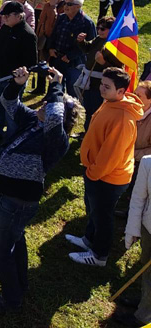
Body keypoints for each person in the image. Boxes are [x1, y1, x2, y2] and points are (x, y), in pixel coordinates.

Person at [0, 66, 81, 313]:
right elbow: (8, 101)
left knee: (0, 250)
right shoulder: (34, 121)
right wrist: (18, 83)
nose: (41, 105)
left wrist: (57, 88)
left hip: (18, 200)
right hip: (10, 195)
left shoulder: (56, 139)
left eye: (47, 104)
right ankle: (19, 283)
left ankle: (11, 299)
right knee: (16, 238)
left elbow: (56, 118)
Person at [66, 67, 143, 267]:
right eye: (102, 84)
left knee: (103, 217)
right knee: (94, 210)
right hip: (97, 173)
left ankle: (99, 255)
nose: (101, 89)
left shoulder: (123, 119)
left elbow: (111, 155)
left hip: (107, 177)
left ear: (121, 92)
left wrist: (93, 173)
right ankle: (88, 239)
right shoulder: (111, 102)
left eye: (107, 87)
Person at [0, 1, 38, 141]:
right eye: (3, 15)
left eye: (7, 16)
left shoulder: (27, 34)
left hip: (13, 80)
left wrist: (18, 76)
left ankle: (11, 137)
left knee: (11, 110)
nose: (4, 18)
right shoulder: (5, 28)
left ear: (19, 16)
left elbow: (31, 62)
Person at [121, 82, 151, 327]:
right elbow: (139, 198)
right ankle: (145, 301)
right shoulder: (149, 164)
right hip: (149, 225)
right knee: (146, 266)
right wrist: (133, 230)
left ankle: (143, 316)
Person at [76, 17, 120, 131]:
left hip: (100, 83)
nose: (99, 31)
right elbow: (88, 48)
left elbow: (118, 69)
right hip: (89, 80)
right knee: (88, 108)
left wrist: (103, 62)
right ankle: (86, 131)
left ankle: (92, 133)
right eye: (98, 28)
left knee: (96, 110)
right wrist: (81, 42)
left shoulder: (114, 46)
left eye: (103, 29)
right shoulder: (98, 39)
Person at [49, 0, 96, 96]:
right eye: (65, 3)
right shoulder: (61, 18)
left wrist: (70, 56)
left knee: (72, 89)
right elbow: (54, 34)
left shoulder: (86, 22)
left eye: (69, 4)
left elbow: (91, 45)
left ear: (78, 6)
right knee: (56, 85)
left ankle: (72, 110)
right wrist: (51, 48)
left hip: (74, 62)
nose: (66, 6)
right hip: (57, 57)